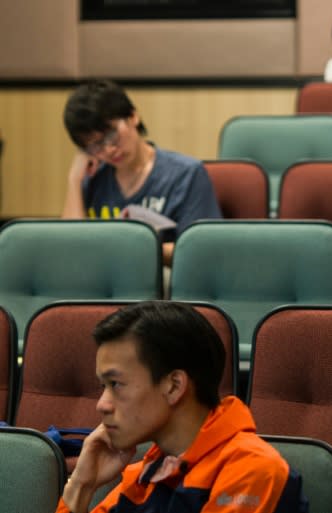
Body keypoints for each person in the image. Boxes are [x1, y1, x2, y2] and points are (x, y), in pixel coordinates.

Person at [57, 301, 307, 513]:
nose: (102, 405)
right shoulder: (148, 474)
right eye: (103, 386)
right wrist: (82, 484)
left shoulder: (253, 471)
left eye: (116, 384)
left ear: (174, 386)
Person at [61, 80, 222, 265]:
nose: (109, 150)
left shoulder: (185, 174)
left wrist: (140, 247)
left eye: (111, 135)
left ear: (133, 116)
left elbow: (202, 251)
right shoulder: (94, 177)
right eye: (94, 145)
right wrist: (74, 180)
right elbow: (70, 246)